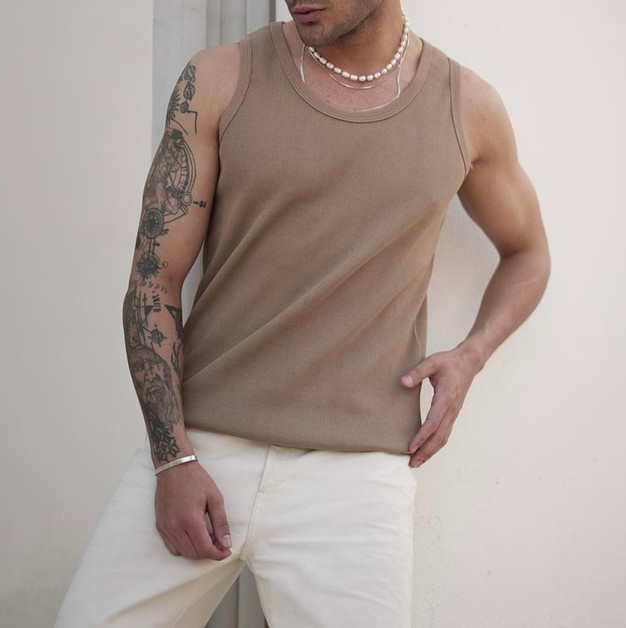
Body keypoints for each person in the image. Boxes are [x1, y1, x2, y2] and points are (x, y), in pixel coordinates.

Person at [54, 0, 550, 626]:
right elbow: (154, 278)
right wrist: (172, 458)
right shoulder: (219, 78)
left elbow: (528, 254)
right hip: (200, 449)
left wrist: (470, 355)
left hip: (356, 480)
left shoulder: (466, 108)